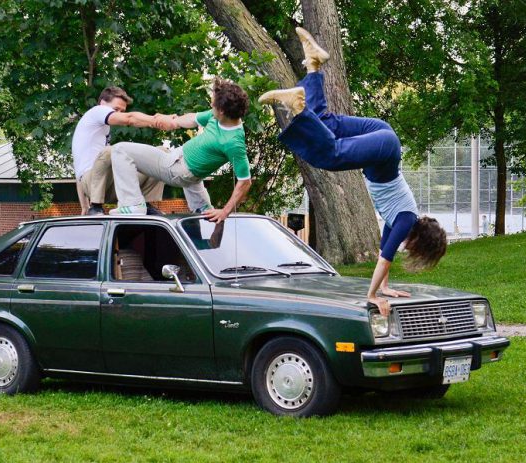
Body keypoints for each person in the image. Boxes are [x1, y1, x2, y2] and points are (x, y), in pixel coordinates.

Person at [258, 27, 447, 316]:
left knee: (327, 123)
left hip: (383, 135)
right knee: (330, 155)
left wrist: (385, 287)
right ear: (420, 242)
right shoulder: (405, 220)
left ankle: (313, 64)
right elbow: (385, 258)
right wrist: (373, 296)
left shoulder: (402, 218)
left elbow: (385, 252)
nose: (408, 249)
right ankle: (298, 107)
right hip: (384, 148)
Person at [109, 78, 252, 223]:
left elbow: (245, 181)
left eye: (213, 104)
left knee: (120, 150)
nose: (211, 105)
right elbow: (193, 119)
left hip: (177, 170)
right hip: (191, 176)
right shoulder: (220, 117)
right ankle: (202, 216)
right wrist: (173, 122)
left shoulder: (233, 143)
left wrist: (225, 212)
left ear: (221, 111)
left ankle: (132, 205)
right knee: (205, 216)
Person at [71, 86, 171, 215]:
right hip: (91, 185)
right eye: (115, 109)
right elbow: (129, 119)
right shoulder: (95, 112)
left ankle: (145, 203)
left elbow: (78, 170)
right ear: (102, 103)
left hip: (111, 187)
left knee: (160, 153)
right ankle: (96, 206)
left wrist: (83, 207)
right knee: (111, 151)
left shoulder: (102, 131)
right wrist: (156, 121)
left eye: (122, 111)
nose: (119, 114)